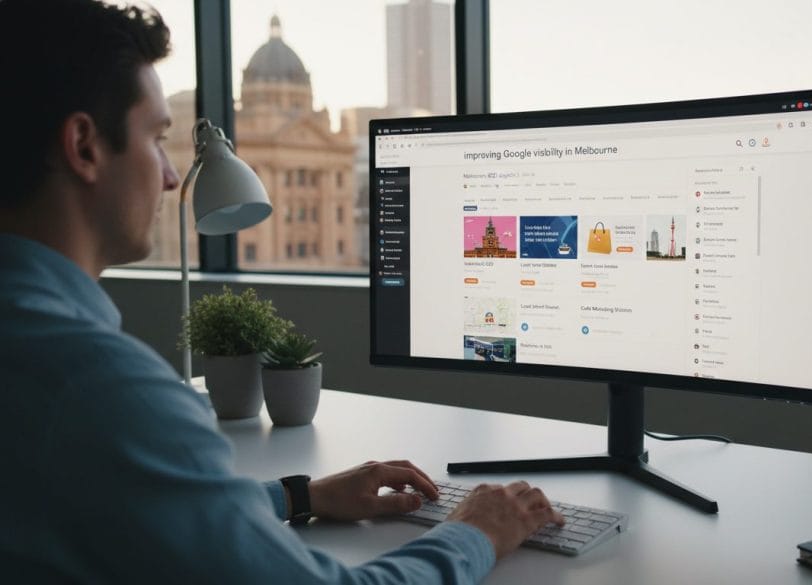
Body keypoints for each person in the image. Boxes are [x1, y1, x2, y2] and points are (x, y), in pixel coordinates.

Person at [0, 0, 563, 582]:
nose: (171, 176)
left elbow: (126, 500)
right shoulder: (100, 391)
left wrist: (299, 496)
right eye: (157, 138)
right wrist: (476, 530)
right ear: (84, 146)